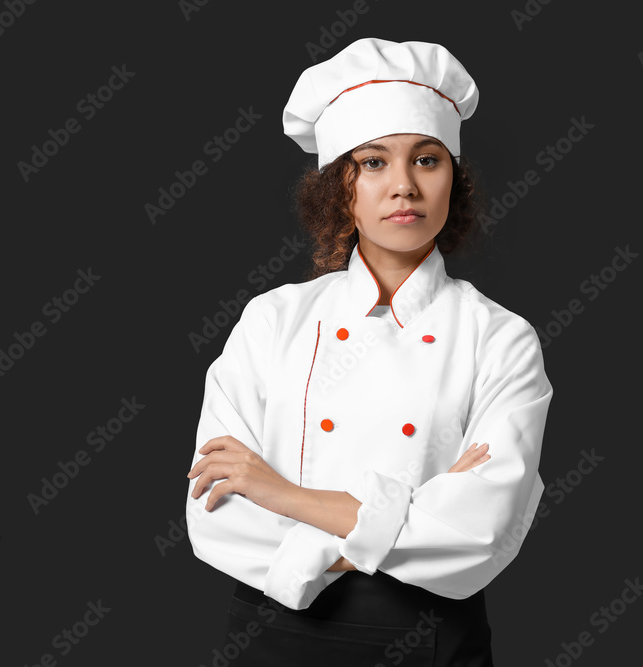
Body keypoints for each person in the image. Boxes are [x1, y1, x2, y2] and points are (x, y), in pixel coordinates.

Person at [185, 37, 553, 666]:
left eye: (427, 160)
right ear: (339, 188)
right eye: (375, 163)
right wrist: (413, 512)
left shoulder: (499, 338)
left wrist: (283, 493)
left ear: (452, 182)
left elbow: (482, 532)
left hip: (429, 640)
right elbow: (216, 515)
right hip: (270, 642)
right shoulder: (273, 321)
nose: (403, 186)